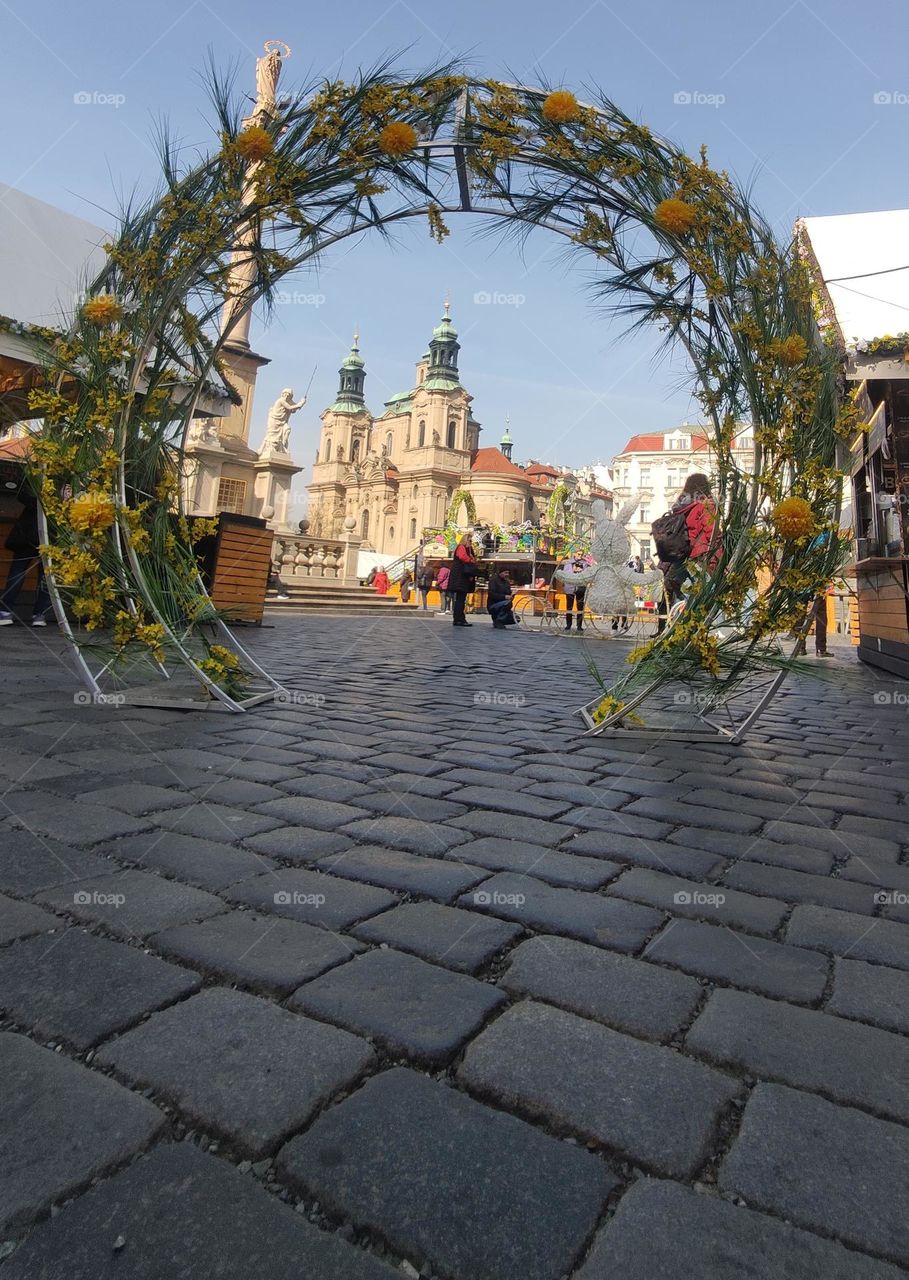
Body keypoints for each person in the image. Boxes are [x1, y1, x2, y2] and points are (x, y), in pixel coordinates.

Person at [655, 473, 718, 633]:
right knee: (703, 591)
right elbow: (711, 532)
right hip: (699, 554)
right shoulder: (707, 504)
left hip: (681, 554)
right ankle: (692, 625)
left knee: (679, 587)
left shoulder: (681, 505)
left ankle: (680, 623)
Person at [0, 490, 51, 627]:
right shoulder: (64, 478)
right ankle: (39, 614)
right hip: (48, 529)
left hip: (29, 529)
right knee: (45, 575)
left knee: (20, 570)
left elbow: (21, 494)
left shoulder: (34, 477)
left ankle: (5, 611)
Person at [448, 533, 477, 627]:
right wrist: (471, 560)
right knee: (460, 600)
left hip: (462, 577)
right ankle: (459, 619)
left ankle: (459, 619)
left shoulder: (468, 549)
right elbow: (463, 557)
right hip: (460, 577)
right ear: (466, 540)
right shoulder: (461, 547)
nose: (471, 542)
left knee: (461, 599)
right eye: (470, 540)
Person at [563, 557, 587, 633]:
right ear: (574, 554)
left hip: (580, 587)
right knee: (569, 607)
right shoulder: (568, 563)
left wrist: (581, 571)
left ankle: (579, 626)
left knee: (580, 607)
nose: (580, 556)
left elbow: (587, 574)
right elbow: (565, 574)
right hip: (570, 587)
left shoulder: (585, 563)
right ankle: (568, 625)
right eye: (578, 554)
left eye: (581, 554)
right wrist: (573, 571)